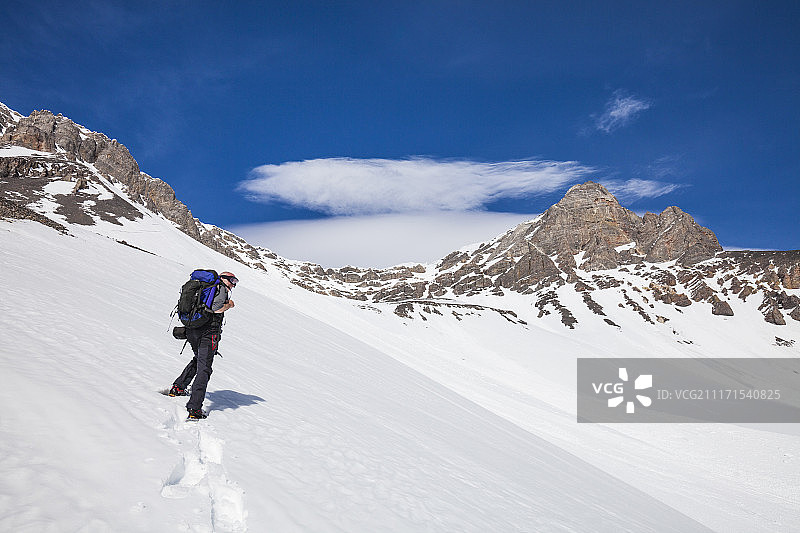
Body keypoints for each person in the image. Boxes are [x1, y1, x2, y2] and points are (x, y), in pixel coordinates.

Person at [169, 271, 238, 419]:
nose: (233, 284)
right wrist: (229, 305)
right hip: (208, 333)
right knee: (204, 368)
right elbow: (216, 308)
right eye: (232, 280)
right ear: (223, 279)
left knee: (197, 358)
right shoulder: (220, 289)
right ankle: (194, 408)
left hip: (192, 330)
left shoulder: (204, 288)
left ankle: (178, 387)